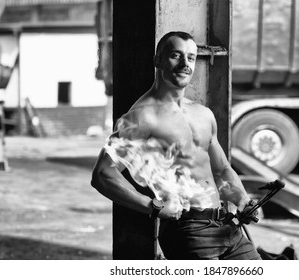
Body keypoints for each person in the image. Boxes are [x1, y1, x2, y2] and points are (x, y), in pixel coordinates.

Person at [91, 31, 261, 260]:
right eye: (176, 55)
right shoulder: (143, 117)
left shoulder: (203, 114)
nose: (185, 64)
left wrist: (241, 199)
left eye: (190, 58)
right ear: (158, 60)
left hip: (227, 226)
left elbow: (221, 170)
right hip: (188, 230)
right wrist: (152, 206)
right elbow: (103, 174)